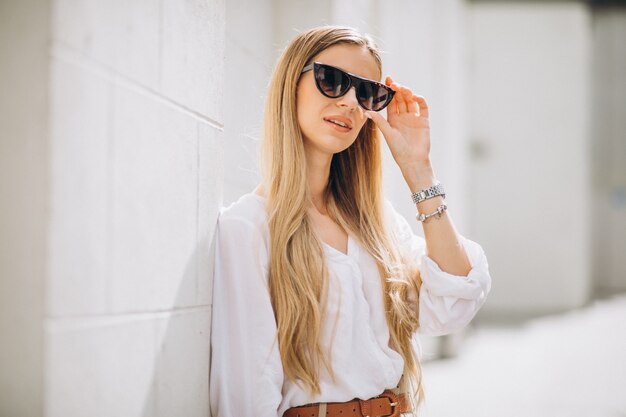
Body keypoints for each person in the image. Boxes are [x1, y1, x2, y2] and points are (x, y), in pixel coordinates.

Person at [209, 25, 492, 417]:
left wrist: (418, 168)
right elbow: (246, 394)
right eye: (332, 80)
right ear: (292, 83)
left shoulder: (377, 225)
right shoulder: (249, 227)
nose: (349, 103)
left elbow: (452, 304)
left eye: (366, 93)